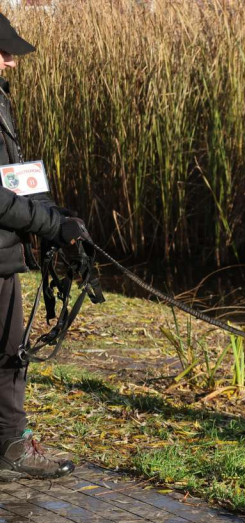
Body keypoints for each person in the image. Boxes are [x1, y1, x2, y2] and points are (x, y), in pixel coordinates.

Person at [0, 12, 86, 481]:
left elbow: (13, 179)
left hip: (3, 256)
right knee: (7, 353)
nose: (11, 62)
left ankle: (12, 444)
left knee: (9, 350)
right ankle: (13, 445)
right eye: (4, 51)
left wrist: (58, 215)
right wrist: (50, 224)